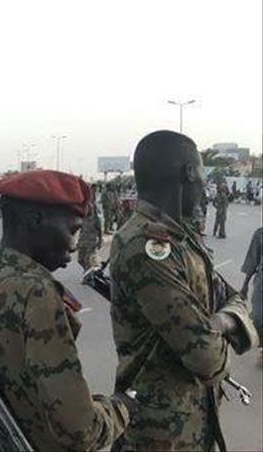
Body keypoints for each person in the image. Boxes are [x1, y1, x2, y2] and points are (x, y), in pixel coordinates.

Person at [0, 170, 131, 451]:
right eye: (72, 230)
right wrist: (122, 408)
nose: (74, 244)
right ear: (35, 220)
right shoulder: (37, 295)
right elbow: (79, 429)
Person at [110, 131, 258, 451]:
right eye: (202, 176)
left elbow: (232, 298)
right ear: (189, 173)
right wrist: (218, 328)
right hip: (159, 434)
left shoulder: (182, 239)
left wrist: (221, 321)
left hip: (192, 421)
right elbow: (204, 356)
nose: (203, 187)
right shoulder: (146, 246)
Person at [240, 226, 263, 365]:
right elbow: (252, 261)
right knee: (259, 317)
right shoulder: (260, 234)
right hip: (261, 284)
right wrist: (245, 285)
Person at [76, 188, 103, 272]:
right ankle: (87, 270)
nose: (88, 209)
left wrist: (100, 241)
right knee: (80, 260)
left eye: (90, 207)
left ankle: (88, 274)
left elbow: (99, 231)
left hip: (91, 243)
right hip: (82, 242)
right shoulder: (82, 218)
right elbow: (79, 230)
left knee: (88, 260)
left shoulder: (96, 219)